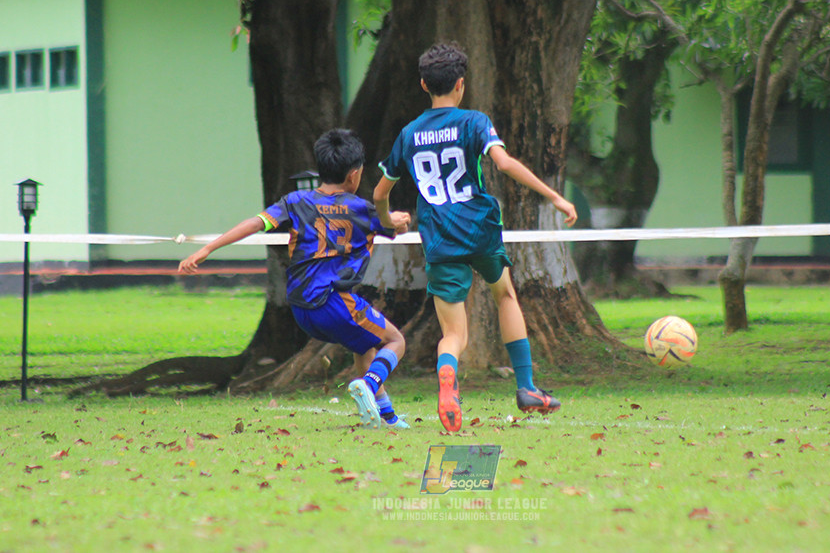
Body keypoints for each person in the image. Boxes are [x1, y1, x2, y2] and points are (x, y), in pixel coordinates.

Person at [373, 42, 578, 433]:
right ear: (461, 85)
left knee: (453, 334)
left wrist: (391, 221)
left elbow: (380, 194)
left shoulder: (409, 134)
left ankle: (448, 382)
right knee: (505, 294)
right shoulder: (473, 122)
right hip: (480, 229)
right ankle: (527, 388)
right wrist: (554, 196)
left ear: (423, 84)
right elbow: (504, 163)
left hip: (439, 238)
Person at [179, 129, 412, 429]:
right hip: (335, 303)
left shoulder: (295, 201)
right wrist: (399, 220)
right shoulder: (363, 211)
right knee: (395, 341)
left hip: (301, 309)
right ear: (354, 175)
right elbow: (397, 230)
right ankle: (368, 384)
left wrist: (208, 248)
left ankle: (387, 417)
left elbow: (255, 223)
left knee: (364, 347)